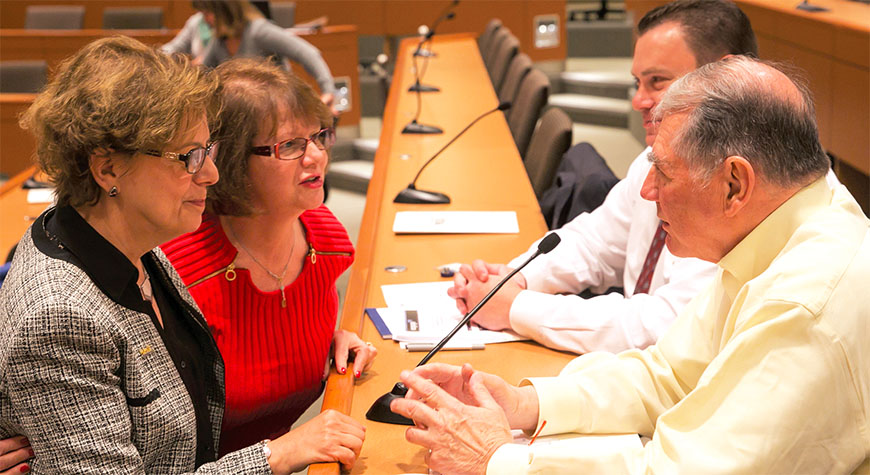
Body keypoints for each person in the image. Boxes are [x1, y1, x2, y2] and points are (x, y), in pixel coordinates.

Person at [391, 56, 870, 473]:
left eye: (662, 171)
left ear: (733, 185)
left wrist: (497, 459)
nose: (646, 190)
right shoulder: (779, 225)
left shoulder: (806, 304)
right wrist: (525, 404)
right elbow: (668, 375)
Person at [0, 37, 363, 474]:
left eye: (208, 151)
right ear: (109, 168)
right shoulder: (61, 315)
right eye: (189, 157)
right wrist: (276, 455)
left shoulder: (131, 243)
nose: (211, 174)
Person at [448, 0, 756, 354]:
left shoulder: (737, 186)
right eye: (638, 83)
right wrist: (512, 277)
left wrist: (516, 307)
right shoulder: (655, 157)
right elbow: (595, 243)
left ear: (726, 76)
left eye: (658, 81)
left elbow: (667, 327)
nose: (639, 100)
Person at [160, 57, 375, 465]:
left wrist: (330, 339)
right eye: (290, 146)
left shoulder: (323, 240)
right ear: (231, 161)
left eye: (318, 137)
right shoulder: (178, 274)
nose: (315, 157)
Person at [162, 0, 339, 114]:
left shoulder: (259, 31)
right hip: (248, 116)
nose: (205, 19)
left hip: (279, 111)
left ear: (225, 11)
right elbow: (203, 75)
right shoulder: (220, 40)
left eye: (209, 13)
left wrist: (328, 91)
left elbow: (309, 53)